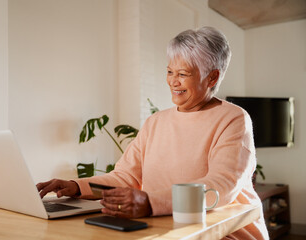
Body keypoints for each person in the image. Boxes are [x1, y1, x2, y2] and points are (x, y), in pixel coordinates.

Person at [37, 26, 268, 239]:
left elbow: (218, 188)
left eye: (183, 74)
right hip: (164, 228)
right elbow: (125, 178)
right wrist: (77, 186)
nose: (173, 82)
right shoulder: (155, 122)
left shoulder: (233, 119)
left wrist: (151, 203)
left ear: (212, 77)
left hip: (223, 233)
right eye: (170, 71)